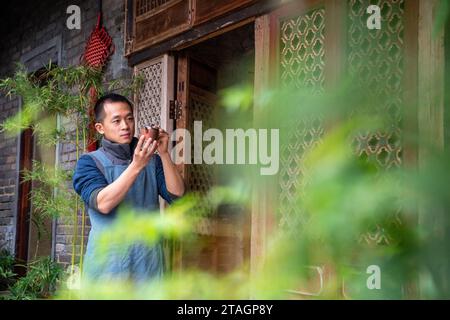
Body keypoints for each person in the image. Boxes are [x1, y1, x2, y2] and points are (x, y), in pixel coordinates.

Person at [72, 93, 185, 284]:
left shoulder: (153, 160)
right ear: (100, 128)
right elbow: (103, 203)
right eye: (116, 120)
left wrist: (164, 154)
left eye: (129, 118)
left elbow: (177, 195)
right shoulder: (89, 162)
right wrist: (136, 165)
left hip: (148, 261)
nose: (125, 126)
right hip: (108, 264)